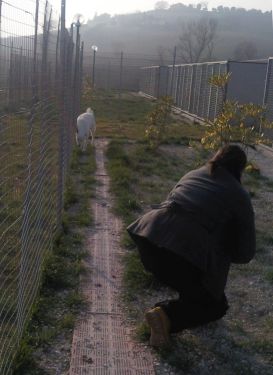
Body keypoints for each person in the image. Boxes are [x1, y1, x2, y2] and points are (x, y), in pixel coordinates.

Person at [127, 144, 256, 347]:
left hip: (150, 240)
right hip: (183, 255)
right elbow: (245, 253)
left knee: (191, 279)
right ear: (240, 169)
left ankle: (181, 299)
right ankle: (165, 316)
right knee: (216, 306)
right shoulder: (239, 195)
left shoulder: (193, 174)